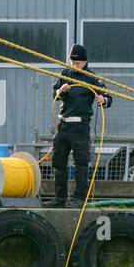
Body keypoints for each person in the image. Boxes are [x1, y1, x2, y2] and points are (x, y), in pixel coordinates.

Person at [45, 44, 112, 208]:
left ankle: (79, 199)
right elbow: (55, 95)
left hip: (81, 127)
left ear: (85, 62)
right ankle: (60, 198)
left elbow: (108, 98)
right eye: (73, 63)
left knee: (81, 163)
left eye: (79, 63)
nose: (76, 66)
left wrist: (103, 100)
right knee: (58, 161)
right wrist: (61, 90)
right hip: (64, 125)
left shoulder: (92, 78)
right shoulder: (65, 73)